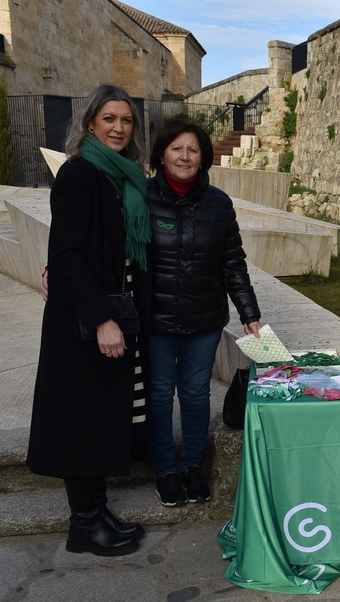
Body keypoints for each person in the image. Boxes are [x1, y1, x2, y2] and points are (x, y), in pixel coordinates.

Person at [28, 84, 151, 556]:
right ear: (90, 124)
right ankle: (83, 524)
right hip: (83, 322)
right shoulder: (79, 174)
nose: (119, 127)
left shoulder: (123, 177)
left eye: (126, 120)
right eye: (109, 119)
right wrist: (102, 319)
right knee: (79, 419)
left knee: (98, 415)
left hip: (111, 312)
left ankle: (96, 512)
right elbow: (68, 255)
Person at [144, 120, 261, 507]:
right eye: (176, 148)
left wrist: (249, 312)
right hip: (155, 319)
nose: (184, 156)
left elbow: (233, 264)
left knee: (195, 393)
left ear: (203, 157)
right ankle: (165, 470)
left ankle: (193, 467)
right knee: (160, 394)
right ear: (162, 153)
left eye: (192, 150)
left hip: (203, 320)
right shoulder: (141, 198)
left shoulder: (218, 204)